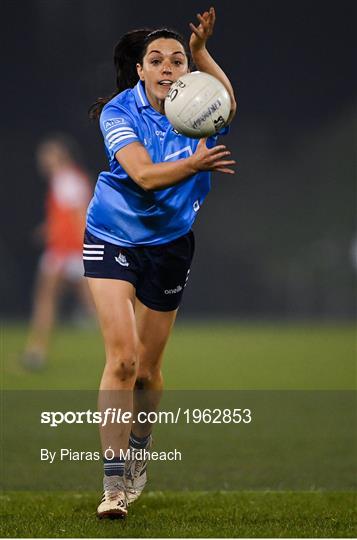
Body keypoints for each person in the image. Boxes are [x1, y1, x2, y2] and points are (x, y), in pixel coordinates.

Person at [86, 6, 237, 519]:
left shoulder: (197, 103)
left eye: (177, 60)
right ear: (141, 70)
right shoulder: (119, 113)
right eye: (157, 59)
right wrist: (195, 163)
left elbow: (228, 103)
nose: (168, 66)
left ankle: (139, 456)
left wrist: (202, 53)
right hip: (111, 235)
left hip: (170, 243)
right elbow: (145, 176)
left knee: (148, 372)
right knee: (123, 359)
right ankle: (112, 484)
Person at [22, 134, 93, 370]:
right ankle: (36, 351)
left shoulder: (66, 179)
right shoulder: (68, 179)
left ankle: (36, 352)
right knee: (91, 306)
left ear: (59, 156)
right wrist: (49, 228)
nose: (42, 159)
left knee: (46, 300)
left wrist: (85, 249)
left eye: (47, 154)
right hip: (69, 252)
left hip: (66, 253)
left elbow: (80, 216)